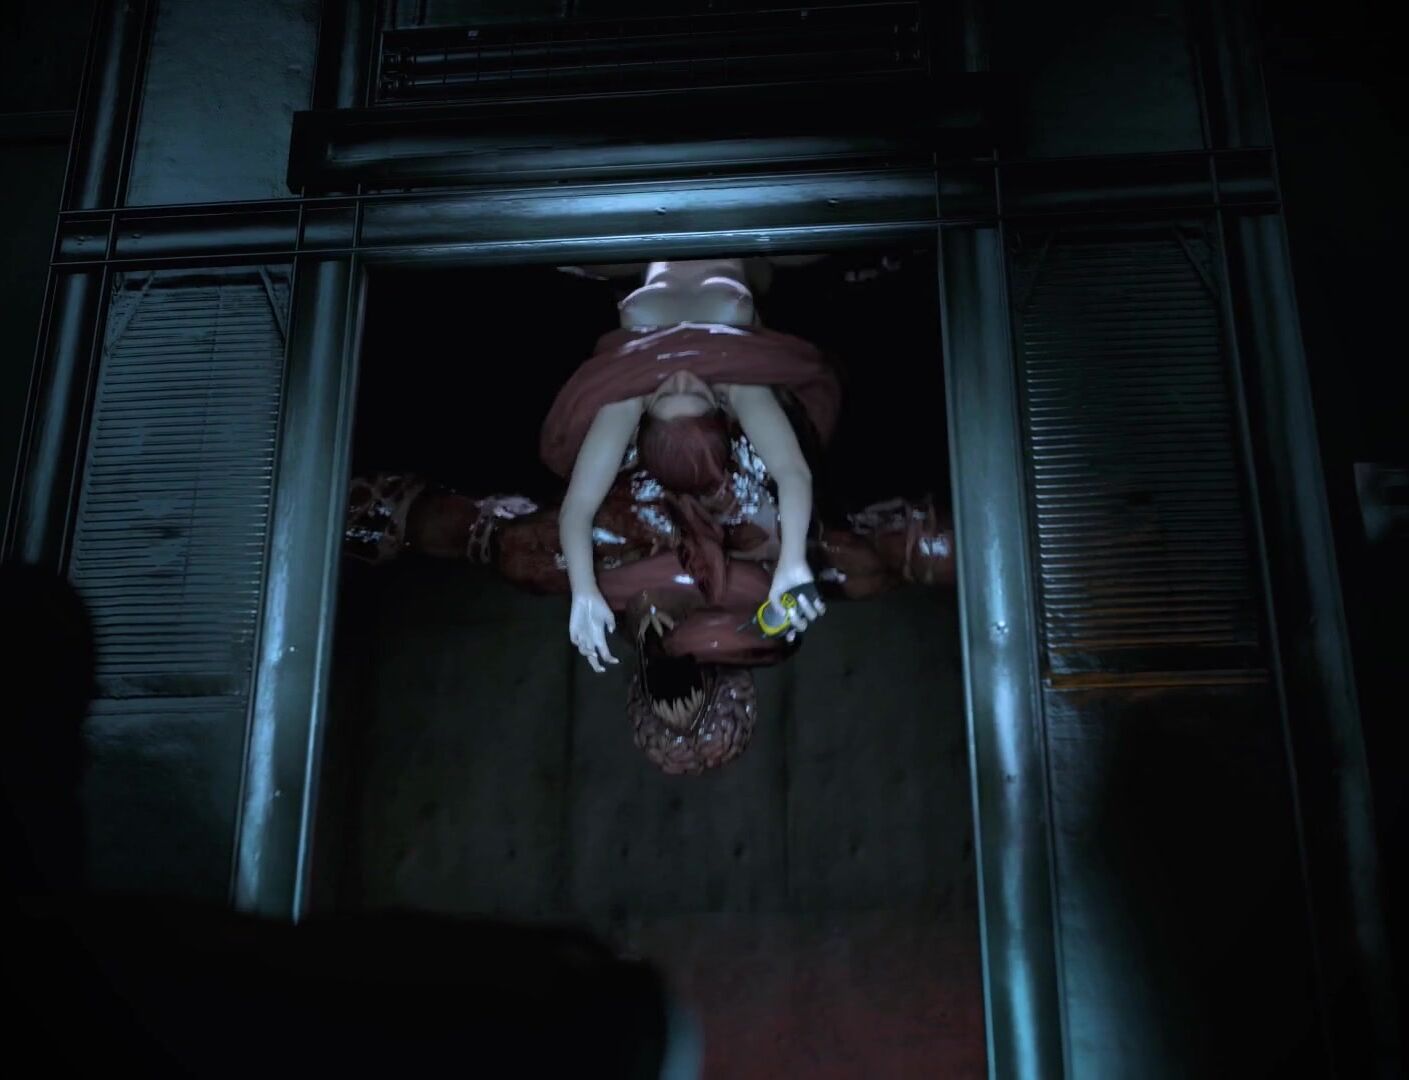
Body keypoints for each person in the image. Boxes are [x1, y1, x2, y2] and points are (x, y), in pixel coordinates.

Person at [542, 256, 842, 678]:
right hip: (734, 239)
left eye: (665, 395)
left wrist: (584, 590)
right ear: (718, 406)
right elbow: (792, 472)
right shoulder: (736, 384)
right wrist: (792, 560)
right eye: (696, 393)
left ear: (645, 416)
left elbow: (578, 509)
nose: (682, 375)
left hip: (654, 239)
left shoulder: (628, 397)